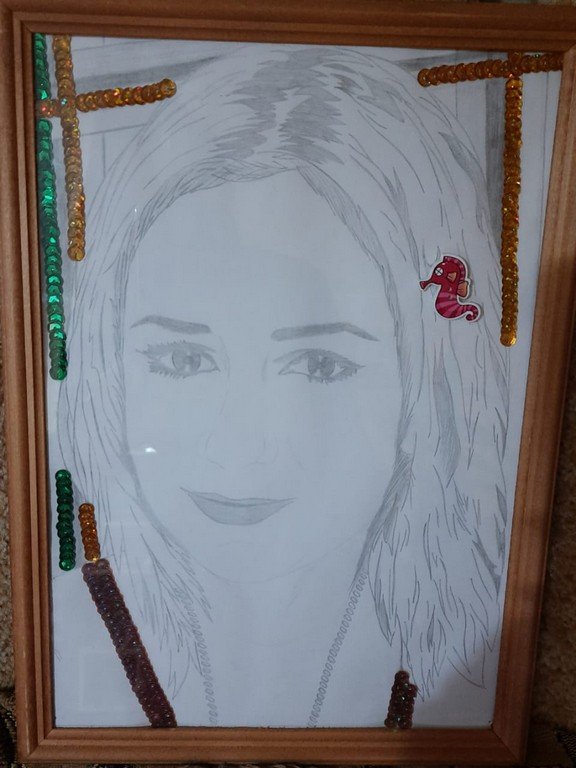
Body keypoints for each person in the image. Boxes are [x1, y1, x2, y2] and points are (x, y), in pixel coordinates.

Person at [54, 43, 509, 728]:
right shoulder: (78, 640)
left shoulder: (467, 665)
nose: (236, 447)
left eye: (320, 365)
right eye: (183, 360)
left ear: (430, 386)